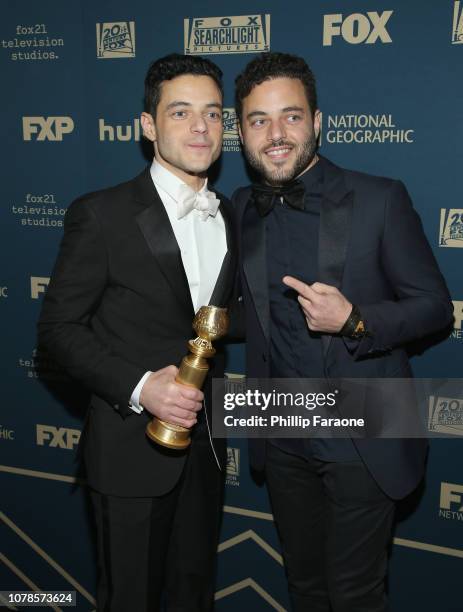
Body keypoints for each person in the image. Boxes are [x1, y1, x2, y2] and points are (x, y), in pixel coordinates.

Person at [233, 52, 453, 612]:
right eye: (259, 120)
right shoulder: (240, 209)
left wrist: (355, 320)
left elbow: (435, 308)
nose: (276, 134)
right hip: (279, 429)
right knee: (304, 589)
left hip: (366, 426)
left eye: (291, 116)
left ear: (318, 121)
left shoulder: (380, 196)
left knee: (356, 595)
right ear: (241, 132)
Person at [38, 53, 236, 612]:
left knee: (194, 597)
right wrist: (140, 387)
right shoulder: (101, 214)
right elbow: (57, 328)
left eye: (214, 114)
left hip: (207, 453)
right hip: (129, 453)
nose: (201, 127)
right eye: (180, 112)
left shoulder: (235, 217)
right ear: (148, 126)